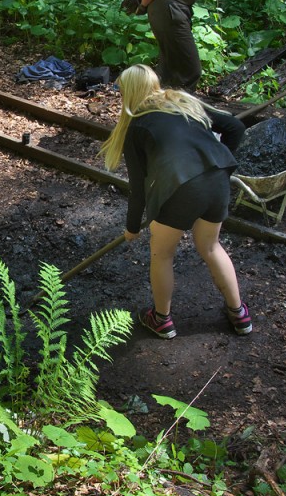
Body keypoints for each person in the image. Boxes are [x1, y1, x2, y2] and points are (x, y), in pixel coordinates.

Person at [100, 65, 252, 339]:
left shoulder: (137, 126)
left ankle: (161, 320)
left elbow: (137, 187)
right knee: (211, 246)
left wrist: (132, 227)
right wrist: (217, 157)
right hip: (217, 179)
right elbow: (235, 126)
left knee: (162, 253)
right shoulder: (183, 102)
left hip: (181, 190)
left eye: (119, 90)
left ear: (129, 92)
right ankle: (239, 315)